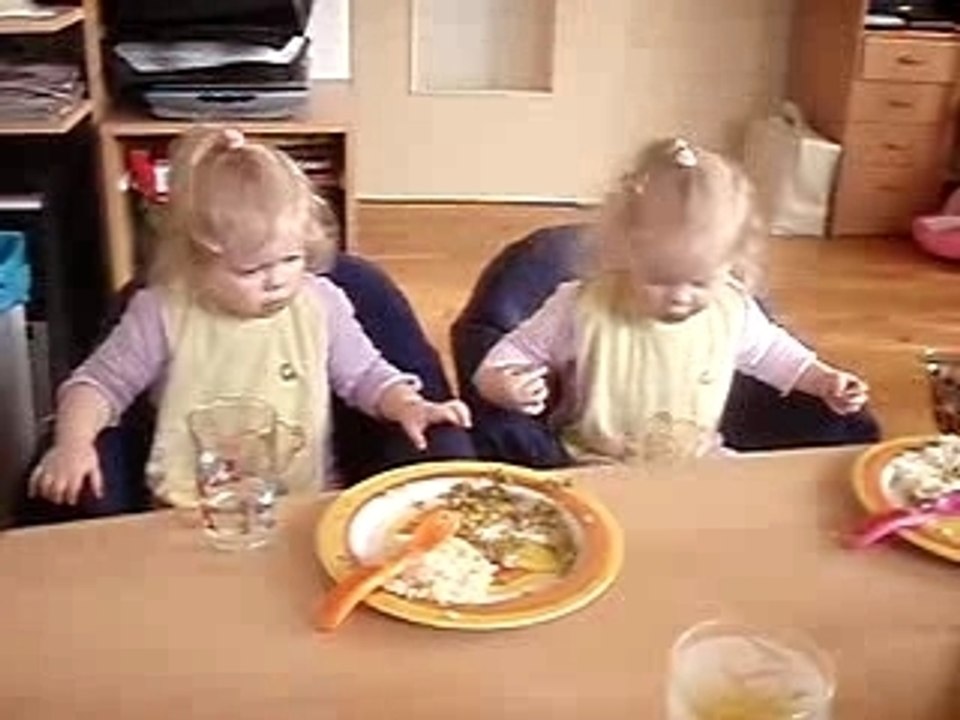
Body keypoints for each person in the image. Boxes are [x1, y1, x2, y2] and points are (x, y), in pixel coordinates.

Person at [30, 127, 471, 508]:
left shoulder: (321, 303)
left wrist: (410, 405)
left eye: (291, 258)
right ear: (195, 259)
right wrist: (73, 444)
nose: (277, 280)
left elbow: (365, 376)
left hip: (304, 509)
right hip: (184, 516)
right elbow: (97, 385)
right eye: (251, 270)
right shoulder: (161, 312)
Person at [472, 138, 868, 464]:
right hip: (594, 464)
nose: (680, 296)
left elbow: (773, 355)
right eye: (659, 279)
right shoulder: (581, 308)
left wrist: (824, 381)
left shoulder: (732, 309)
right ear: (626, 251)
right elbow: (506, 356)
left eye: (700, 281)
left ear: (732, 262)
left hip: (699, 461)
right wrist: (502, 386)